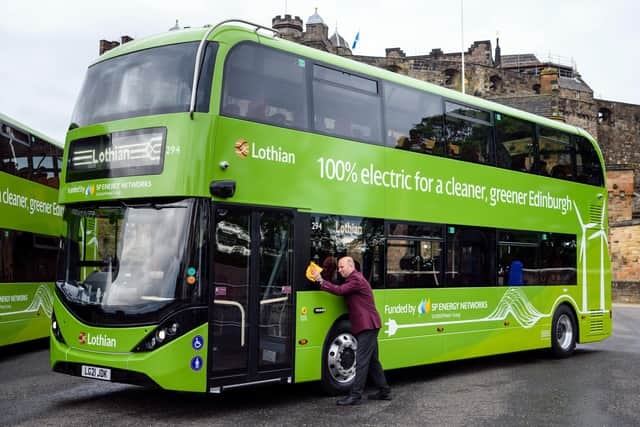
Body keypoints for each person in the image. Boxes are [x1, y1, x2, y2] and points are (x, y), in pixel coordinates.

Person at [311, 256, 391, 406]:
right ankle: (384, 391)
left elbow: (340, 291)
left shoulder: (355, 280)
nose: (339, 270)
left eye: (342, 267)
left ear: (351, 266)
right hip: (370, 325)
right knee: (373, 361)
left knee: (361, 361)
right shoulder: (353, 279)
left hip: (367, 325)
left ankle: (355, 396)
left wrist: (320, 281)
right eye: (339, 267)